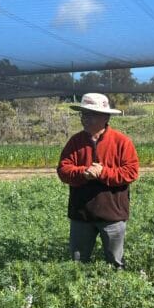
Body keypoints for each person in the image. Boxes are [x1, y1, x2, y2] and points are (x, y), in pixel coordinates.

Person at [57, 93, 139, 267]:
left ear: (105, 117)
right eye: (83, 114)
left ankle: (114, 291)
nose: (85, 118)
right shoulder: (75, 141)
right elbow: (63, 170)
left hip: (113, 215)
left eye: (91, 114)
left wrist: (103, 172)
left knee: (115, 262)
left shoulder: (122, 142)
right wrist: (83, 172)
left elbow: (131, 172)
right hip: (81, 214)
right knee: (78, 263)